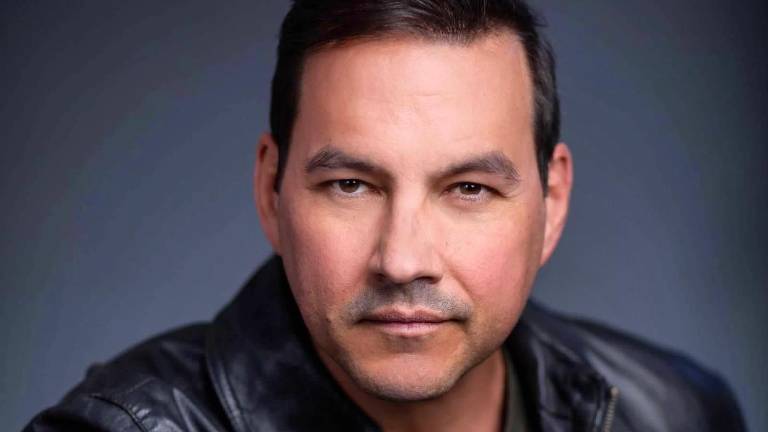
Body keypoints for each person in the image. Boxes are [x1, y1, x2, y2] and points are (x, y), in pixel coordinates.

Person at [25, 1, 746, 431]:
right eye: (351, 185)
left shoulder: (674, 412)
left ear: (551, 202)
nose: (402, 260)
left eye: (468, 189)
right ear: (271, 190)